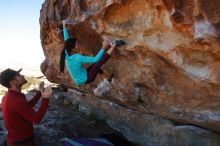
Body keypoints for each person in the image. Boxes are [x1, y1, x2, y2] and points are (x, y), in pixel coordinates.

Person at [0, 68, 53, 146]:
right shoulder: (15, 100)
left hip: (18, 140)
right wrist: (46, 98)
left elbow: (26, 107)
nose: (22, 75)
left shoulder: (10, 97)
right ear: (13, 82)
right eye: (18, 75)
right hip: (22, 142)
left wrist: (39, 93)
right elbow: (36, 119)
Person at [60, 20, 117, 85]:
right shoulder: (77, 57)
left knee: (95, 66)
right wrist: (103, 47)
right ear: (73, 48)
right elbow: (95, 59)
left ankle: (108, 78)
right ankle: (114, 45)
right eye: (77, 45)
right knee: (97, 64)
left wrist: (64, 25)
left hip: (82, 76)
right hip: (87, 79)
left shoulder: (67, 52)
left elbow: (66, 39)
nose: (79, 45)